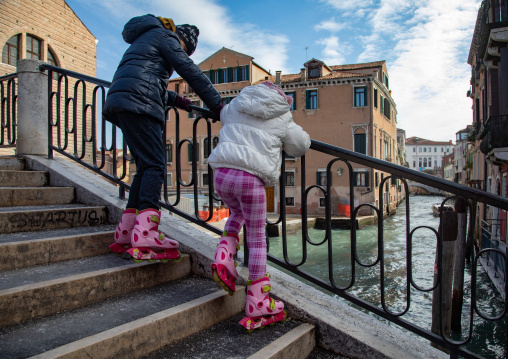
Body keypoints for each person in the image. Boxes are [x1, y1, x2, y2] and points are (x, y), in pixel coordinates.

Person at [103, 14, 223, 262]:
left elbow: (148, 80)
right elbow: (189, 71)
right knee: (157, 166)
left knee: (145, 167)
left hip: (121, 101)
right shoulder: (166, 37)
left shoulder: (145, 38)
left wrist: (177, 100)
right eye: (186, 51)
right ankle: (146, 233)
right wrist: (218, 105)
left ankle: (127, 231)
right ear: (183, 42)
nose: (184, 55)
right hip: (139, 104)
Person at [207, 81, 311, 330]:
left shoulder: (234, 105)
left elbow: (221, 114)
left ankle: (224, 254)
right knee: (256, 240)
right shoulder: (282, 113)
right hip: (250, 179)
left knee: (237, 213)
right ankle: (258, 300)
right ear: (281, 97)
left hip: (221, 175)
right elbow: (300, 145)